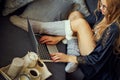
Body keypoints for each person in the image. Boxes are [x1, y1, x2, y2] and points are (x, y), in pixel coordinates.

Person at [10, 0, 120, 79]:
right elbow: (79, 24)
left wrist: (68, 58)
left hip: (94, 65)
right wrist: (59, 37)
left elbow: (97, 59)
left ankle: (40, 27)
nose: (100, 7)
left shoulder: (114, 28)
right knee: (75, 15)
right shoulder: (101, 13)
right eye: (100, 3)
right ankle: (73, 51)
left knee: (81, 23)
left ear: (114, 9)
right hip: (89, 49)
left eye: (104, 6)